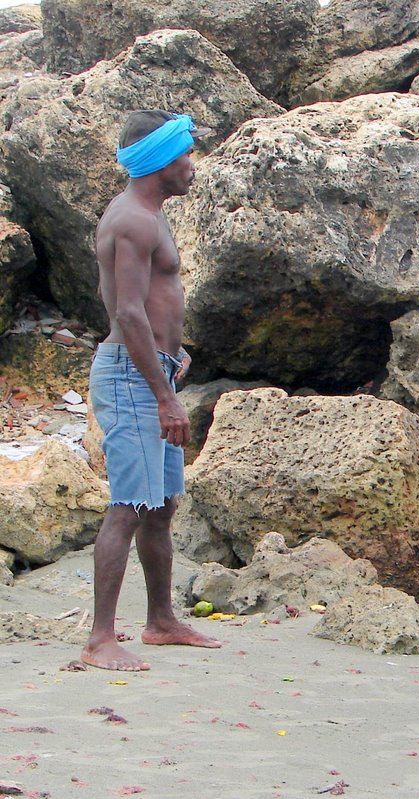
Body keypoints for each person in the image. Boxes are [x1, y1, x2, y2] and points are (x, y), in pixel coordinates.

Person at [82, 110, 222, 671]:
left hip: (151, 369)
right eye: (184, 154)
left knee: (161, 506)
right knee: (130, 505)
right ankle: (98, 640)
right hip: (131, 377)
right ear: (159, 161)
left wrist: (172, 356)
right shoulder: (134, 220)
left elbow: (141, 304)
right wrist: (162, 395)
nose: (191, 164)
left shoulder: (150, 215)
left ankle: (161, 621)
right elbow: (128, 312)